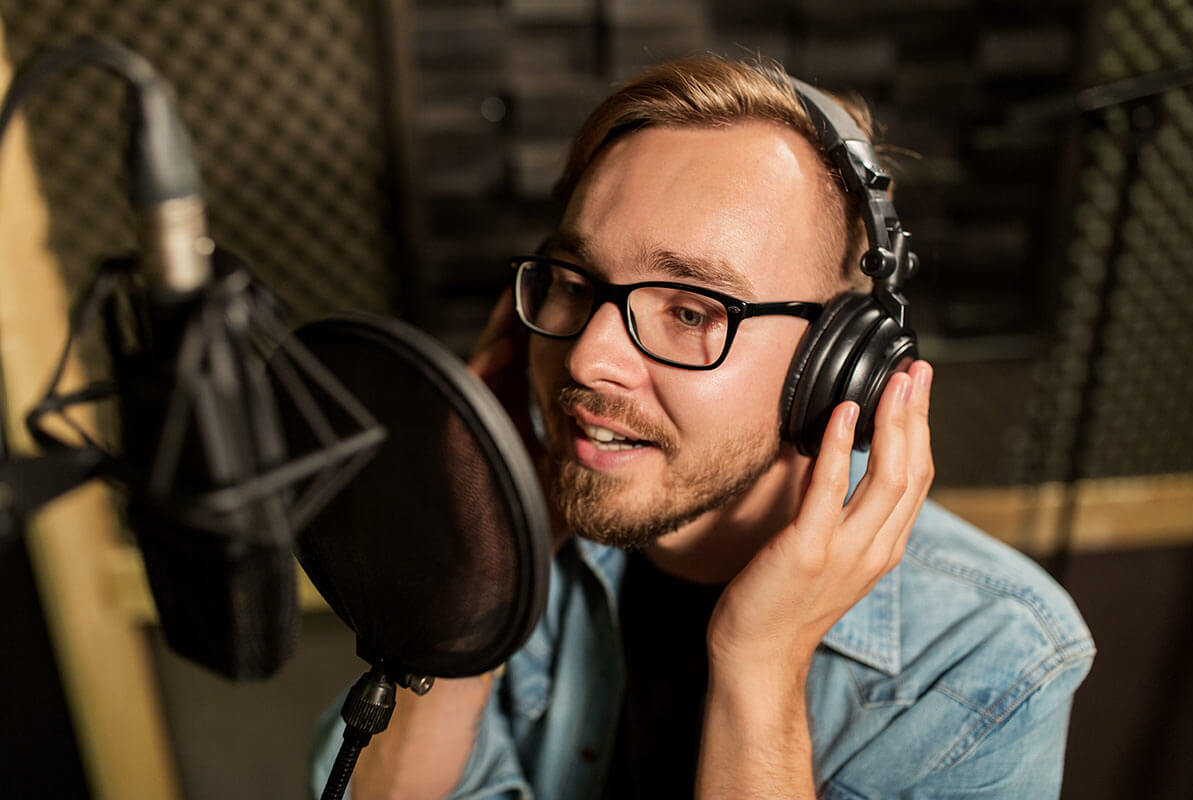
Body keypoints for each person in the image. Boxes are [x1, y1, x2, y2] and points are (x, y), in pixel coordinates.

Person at [311, 56, 1094, 799]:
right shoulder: (503, 542)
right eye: (577, 284)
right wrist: (485, 556)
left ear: (836, 366)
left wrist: (760, 663)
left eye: (691, 310)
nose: (588, 357)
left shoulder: (990, 650)